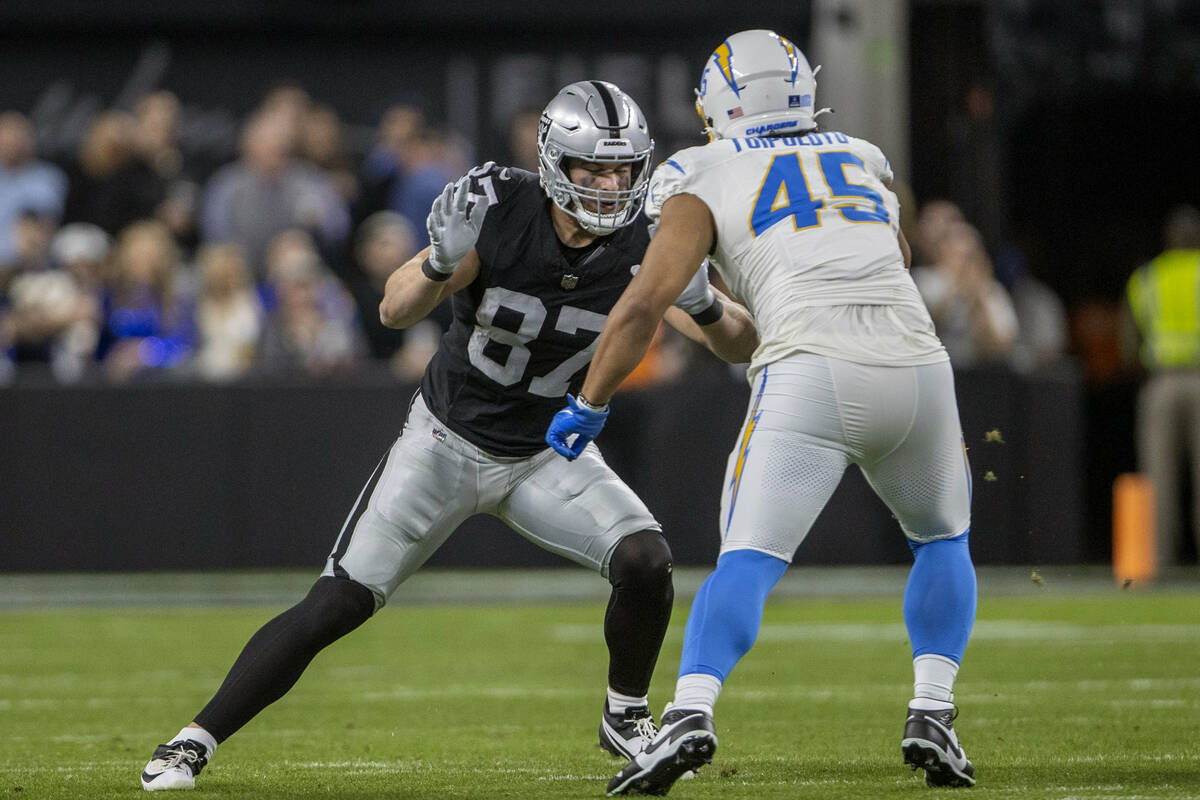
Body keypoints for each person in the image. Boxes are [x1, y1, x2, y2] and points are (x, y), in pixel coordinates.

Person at [139, 80, 756, 791]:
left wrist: (706, 303)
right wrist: (437, 261)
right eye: (594, 168)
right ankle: (194, 739)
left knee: (646, 558)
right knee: (338, 601)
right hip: (444, 440)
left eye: (623, 169)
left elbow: (736, 345)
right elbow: (397, 310)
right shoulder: (500, 207)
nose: (612, 185)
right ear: (556, 161)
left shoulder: (647, 236)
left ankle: (625, 714)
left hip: (544, 452)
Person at [545, 30, 978, 794]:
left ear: (717, 103)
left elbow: (646, 300)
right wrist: (719, 303)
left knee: (746, 561)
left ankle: (688, 713)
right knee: (942, 541)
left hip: (810, 370)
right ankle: (933, 710)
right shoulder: (863, 155)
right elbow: (895, 258)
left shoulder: (699, 168)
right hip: (918, 364)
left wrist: (589, 399)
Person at [1123, 204, 1200, 566]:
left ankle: (1157, 560)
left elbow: (1128, 341)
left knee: (1159, 478)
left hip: (1162, 382)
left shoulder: (1148, 277)